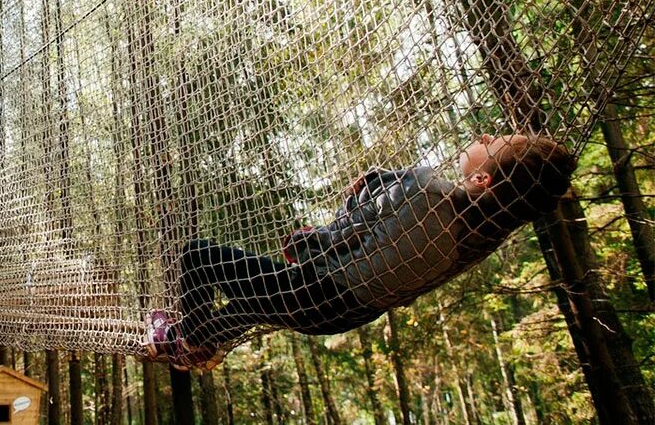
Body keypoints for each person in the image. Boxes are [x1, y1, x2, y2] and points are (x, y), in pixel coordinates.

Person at [146, 134, 575, 370]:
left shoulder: (425, 191)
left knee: (197, 257)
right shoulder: (477, 238)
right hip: (343, 313)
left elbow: (348, 232)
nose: (484, 135)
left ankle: (188, 341)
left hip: (317, 289)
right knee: (246, 305)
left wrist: (309, 241)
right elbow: (383, 243)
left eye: (494, 140)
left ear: (483, 181)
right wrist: (379, 181)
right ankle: (200, 342)